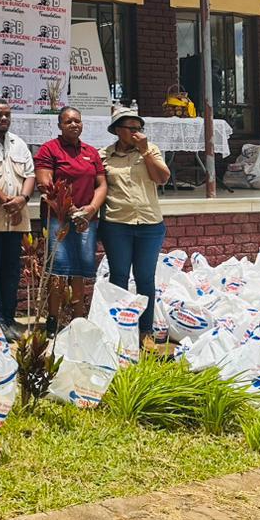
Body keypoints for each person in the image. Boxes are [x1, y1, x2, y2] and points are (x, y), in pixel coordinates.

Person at [99, 108, 171, 350]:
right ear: (117, 130)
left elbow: (162, 178)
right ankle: (121, 331)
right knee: (119, 276)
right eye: (131, 128)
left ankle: (145, 332)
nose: (136, 132)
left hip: (149, 224)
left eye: (139, 128)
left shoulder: (150, 150)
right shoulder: (104, 155)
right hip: (116, 224)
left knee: (145, 278)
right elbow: (97, 186)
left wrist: (145, 151)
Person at [33, 106, 108, 327]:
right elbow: (45, 185)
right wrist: (70, 210)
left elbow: (102, 184)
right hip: (58, 219)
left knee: (80, 270)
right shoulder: (49, 149)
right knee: (58, 269)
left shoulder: (91, 152)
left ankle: (78, 320)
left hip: (86, 220)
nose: (74, 124)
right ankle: (53, 320)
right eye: (68, 121)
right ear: (59, 125)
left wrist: (90, 209)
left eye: (77, 121)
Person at [0, 99, 35, 335]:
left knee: (12, 269)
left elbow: (30, 174)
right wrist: (5, 199)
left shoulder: (18, 143)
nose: (4, 119)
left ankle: (10, 318)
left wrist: (22, 199)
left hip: (17, 218)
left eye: (7, 115)